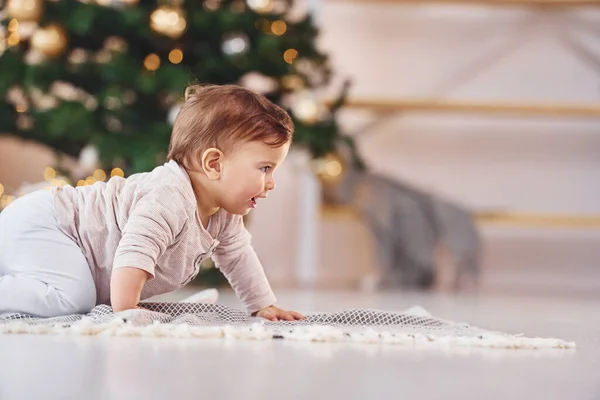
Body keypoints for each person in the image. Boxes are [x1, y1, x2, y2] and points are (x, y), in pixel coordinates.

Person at [0, 84, 305, 322]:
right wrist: (127, 310)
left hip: (52, 232)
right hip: (50, 223)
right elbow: (134, 253)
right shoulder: (169, 197)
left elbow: (238, 257)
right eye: (265, 168)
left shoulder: (223, 214)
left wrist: (263, 305)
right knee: (73, 298)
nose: (271, 183)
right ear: (214, 164)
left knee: (78, 292)